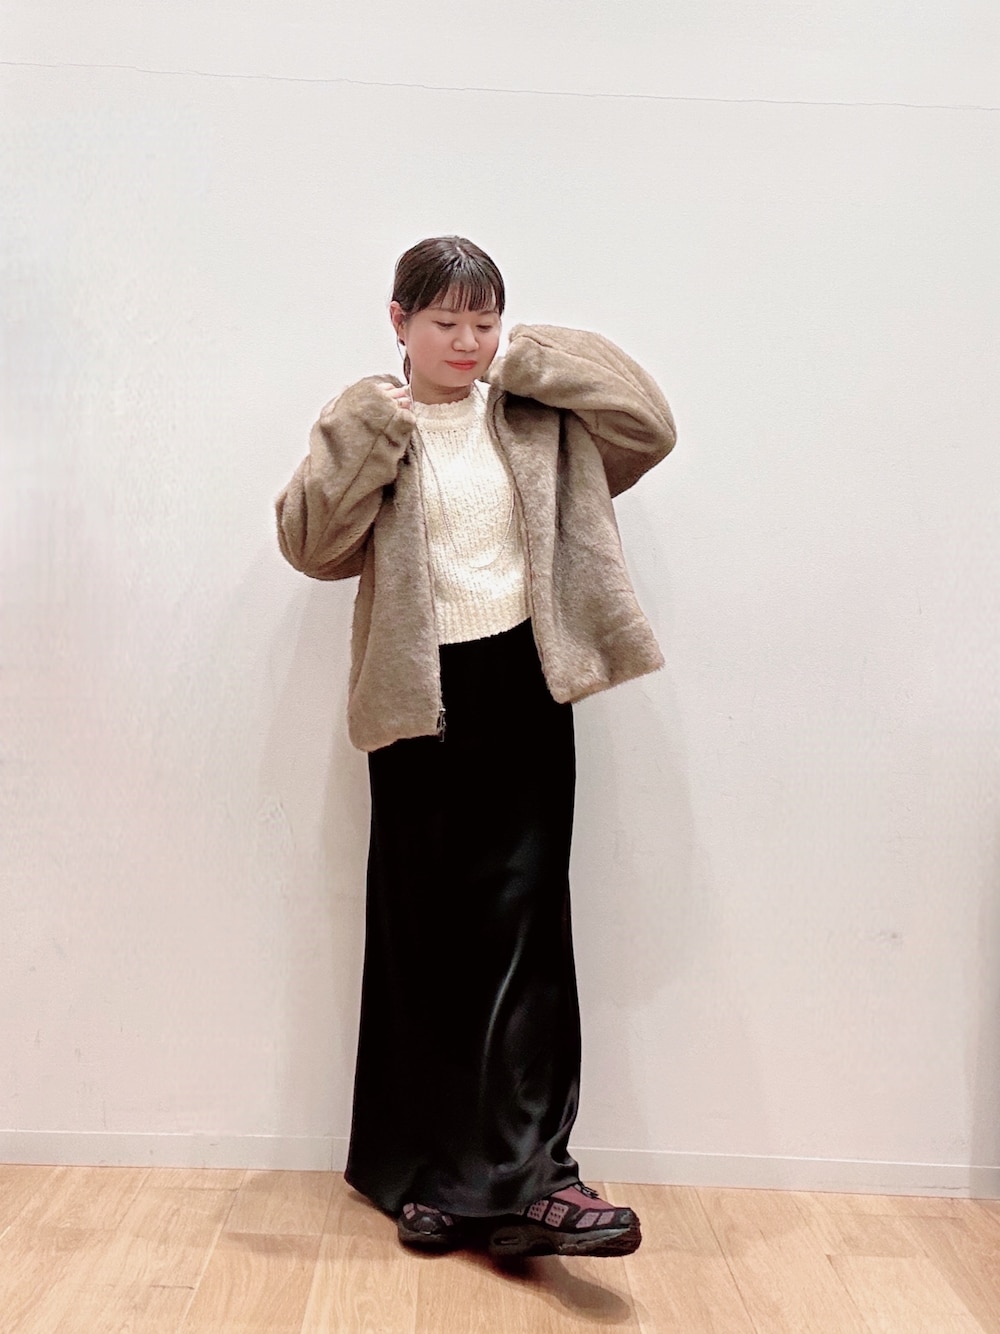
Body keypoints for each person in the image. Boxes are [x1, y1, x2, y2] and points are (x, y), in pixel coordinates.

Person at [274, 236, 676, 1258]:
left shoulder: (535, 415)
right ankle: (433, 1176)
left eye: (484, 320)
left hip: (525, 687)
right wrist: (367, 429)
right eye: (446, 320)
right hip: (419, 698)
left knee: (526, 931)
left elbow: (650, 427)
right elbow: (311, 545)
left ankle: (539, 1176)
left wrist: (534, 356)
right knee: (425, 936)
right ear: (398, 321)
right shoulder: (373, 423)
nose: (467, 340)